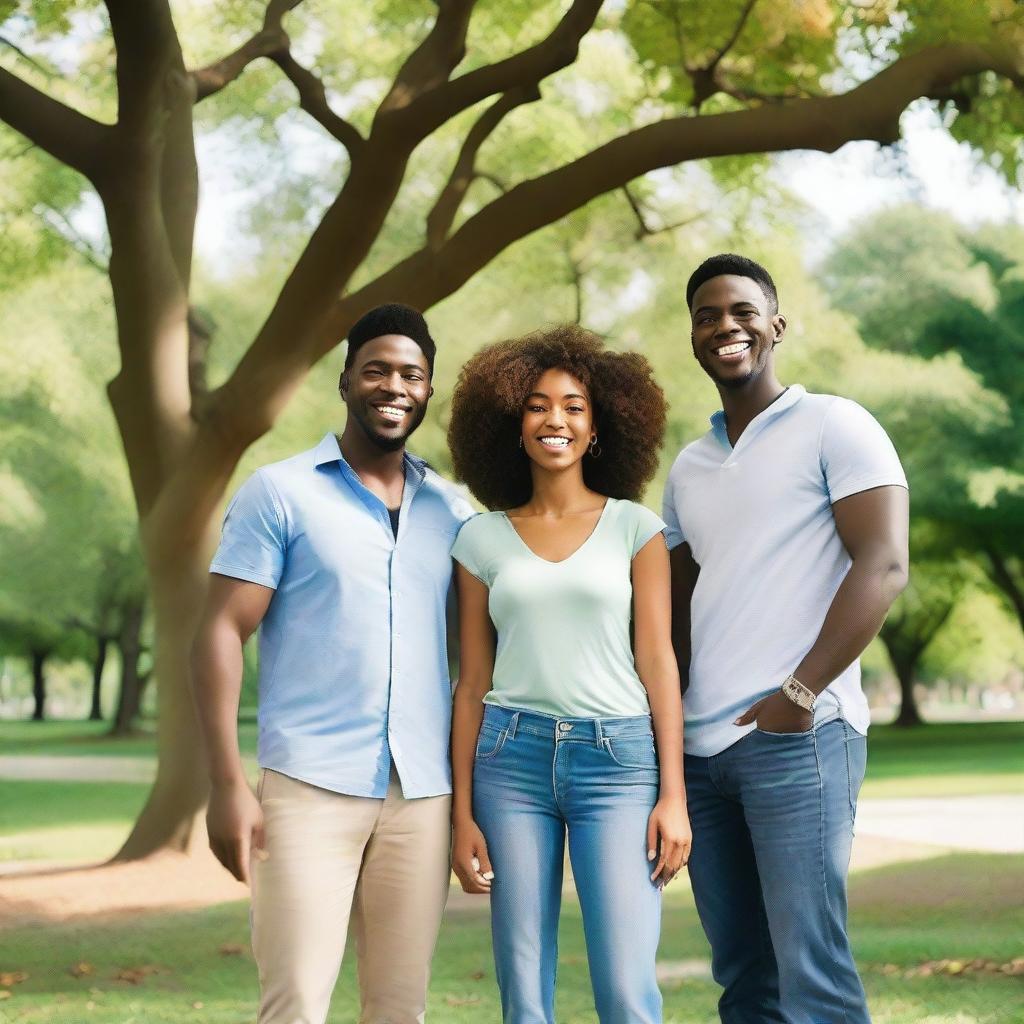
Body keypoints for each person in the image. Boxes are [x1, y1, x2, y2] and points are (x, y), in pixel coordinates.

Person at [191, 303, 473, 1024]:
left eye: (411, 374)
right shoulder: (280, 492)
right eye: (376, 369)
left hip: (422, 795)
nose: (394, 385)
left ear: (428, 391)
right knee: (293, 1007)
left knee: (399, 1010)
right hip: (308, 788)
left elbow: (487, 650)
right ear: (346, 382)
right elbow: (222, 630)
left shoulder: (453, 510)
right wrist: (227, 784)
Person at [664, 254, 910, 1024]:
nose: (725, 327)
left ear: (776, 324)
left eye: (742, 311)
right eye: (707, 316)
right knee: (743, 975)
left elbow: (886, 562)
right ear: (695, 337)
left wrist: (800, 693)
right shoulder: (689, 467)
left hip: (797, 737)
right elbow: (674, 611)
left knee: (812, 970)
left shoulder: (837, 424)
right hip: (703, 759)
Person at [446, 325, 690, 1024]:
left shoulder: (635, 528)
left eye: (574, 406)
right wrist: (463, 814)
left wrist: (672, 795)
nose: (555, 419)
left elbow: (659, 661)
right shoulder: (478, 539)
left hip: (617, 761)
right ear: (511, 427)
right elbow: (470, 683)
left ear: (599, 427)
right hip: (509, 762)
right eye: (537, 405)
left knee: (625, 988)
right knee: (522, 991)